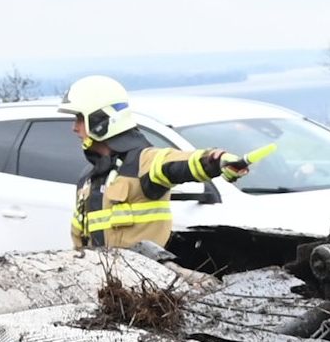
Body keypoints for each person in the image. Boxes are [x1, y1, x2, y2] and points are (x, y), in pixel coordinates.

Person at [61, 77, 241, 253]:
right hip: (104, 278)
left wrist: (216, 161)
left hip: (148, 278)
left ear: (100, 119)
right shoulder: (89, 178)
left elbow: (177, 163)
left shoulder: (144, 162)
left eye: (79, 118)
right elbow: (80, 241)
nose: (74, 128)